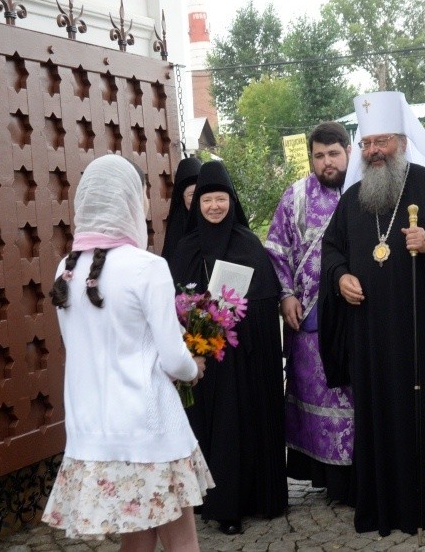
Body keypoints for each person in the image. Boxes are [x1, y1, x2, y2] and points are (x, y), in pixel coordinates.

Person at [319, 91, 425, 536]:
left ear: (402, 142)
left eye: (382, 142)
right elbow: (331, 249)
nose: (374, 151)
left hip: (423, 333)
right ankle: (383, 504)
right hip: (371, 335)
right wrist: (339, 277)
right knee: (380, 415)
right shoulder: (353, 199)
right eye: (367, 144)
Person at [42, 154, 211, 552]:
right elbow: (173, 358)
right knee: (181, 542)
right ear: (130, 201)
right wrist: (194, 367)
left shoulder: (66, 268)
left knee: (136, 540)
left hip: (93, 428)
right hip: (150, 427)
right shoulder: (147, 267)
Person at [166, 160, 287, 535]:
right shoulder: (185, 248)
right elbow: (172, 302)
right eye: (207, 200)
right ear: (197, 205)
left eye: (221, 199)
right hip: (205, 360)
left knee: (244, 426)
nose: (214, 206)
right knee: (216, 430)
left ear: (231, 202)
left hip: (243, 357)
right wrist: (198, 327)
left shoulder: (248, 244)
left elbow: (265, 303)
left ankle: (253, 499)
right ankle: (221, 506)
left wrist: (237, 319)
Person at [264, 122, 356, 504]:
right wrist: (286, 294)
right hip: (311, 315)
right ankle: (329, 478)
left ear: (348, 150)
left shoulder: (363, 189)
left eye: (333, 153)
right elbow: (276, 249)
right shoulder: (297, 196)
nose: (327, 162)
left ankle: (363, 475)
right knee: (320, 394)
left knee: (354, 394)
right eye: (319, 155)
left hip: (358, 313)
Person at [161, 156, 202, 263]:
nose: (197, 200)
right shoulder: (176, 233)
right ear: (182, 198)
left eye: (201, 194)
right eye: (192, 195)